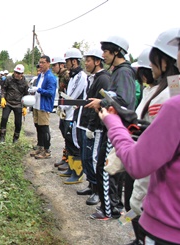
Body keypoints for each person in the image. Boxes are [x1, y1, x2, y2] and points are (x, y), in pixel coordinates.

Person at [98, 28, 180, 245]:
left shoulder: (171, 100)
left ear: (164, 62)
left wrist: (114, 123)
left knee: (135, 212)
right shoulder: (167, 91)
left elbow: (142, 163)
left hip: (164, 215)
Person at [126, 29, 180, 245]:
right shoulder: (167, 90)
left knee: (132, 208)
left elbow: (151, 159)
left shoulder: (167, 99)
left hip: (154, 190)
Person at [87, 35, 136, 220]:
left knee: (106, 168)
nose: (103, 56)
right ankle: (114, 207)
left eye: (106, 52)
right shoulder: (117, 71)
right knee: (109, 168)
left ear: (116, 52)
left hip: (117, 127)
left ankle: (108, 210)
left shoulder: (123, 73)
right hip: (114, 126)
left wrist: (102, 101)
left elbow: (124, 101)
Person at [76, 48, 110, 205]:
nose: (86, 63)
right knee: (85, 157)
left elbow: (99, 106)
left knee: (92, 158)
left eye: (88, 60)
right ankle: (91, 184)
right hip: (86, 123)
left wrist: (91, 126)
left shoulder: (103, 79)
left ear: (97, 61)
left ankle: (98, 190)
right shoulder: (94, 78)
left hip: (95, 126)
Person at [58, 48, 87, 184]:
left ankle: (78, 172)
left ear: (74, 61)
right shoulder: (73, 76)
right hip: (67, 113)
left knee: (74, 143)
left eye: (67, 61)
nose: (66, 64)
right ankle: (70, 167)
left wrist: (63, 105)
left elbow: (73, 95)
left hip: (74, 114)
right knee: (68, 142)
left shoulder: (81, 77)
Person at [28, 55, 57, 159]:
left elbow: (50, 92)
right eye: (40, 62)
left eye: (43, 62)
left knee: (44, 128)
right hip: (36, 104)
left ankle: (47, 149)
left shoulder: (50, 77)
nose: (40, 64)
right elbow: (37, 88)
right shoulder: (40, 76)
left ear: (48, 63)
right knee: (38, 126)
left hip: (44, 105)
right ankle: (40, 146)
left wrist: (38, 90)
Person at [0, 64, 29, 143]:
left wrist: (25, 107)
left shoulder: (25, 83)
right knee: (4, 118)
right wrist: (2, 98)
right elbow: (3, 89)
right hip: (8, 102)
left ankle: (16, 138)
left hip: (18, 104)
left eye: (19, 73)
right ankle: (2, 137)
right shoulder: (9, 79)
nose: (17, 74)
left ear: (22, 74)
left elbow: (26, 95)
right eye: (16, 72)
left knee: (18, 122)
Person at [50, 57, 70, 170]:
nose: (53, 68)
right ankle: (65, 157)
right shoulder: (60, 76)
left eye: (55, 65)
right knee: (63, 131)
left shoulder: (67, 75)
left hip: (69, 108)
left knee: (68, 134)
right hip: (63, 106)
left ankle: (69, 160)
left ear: (61, 65)